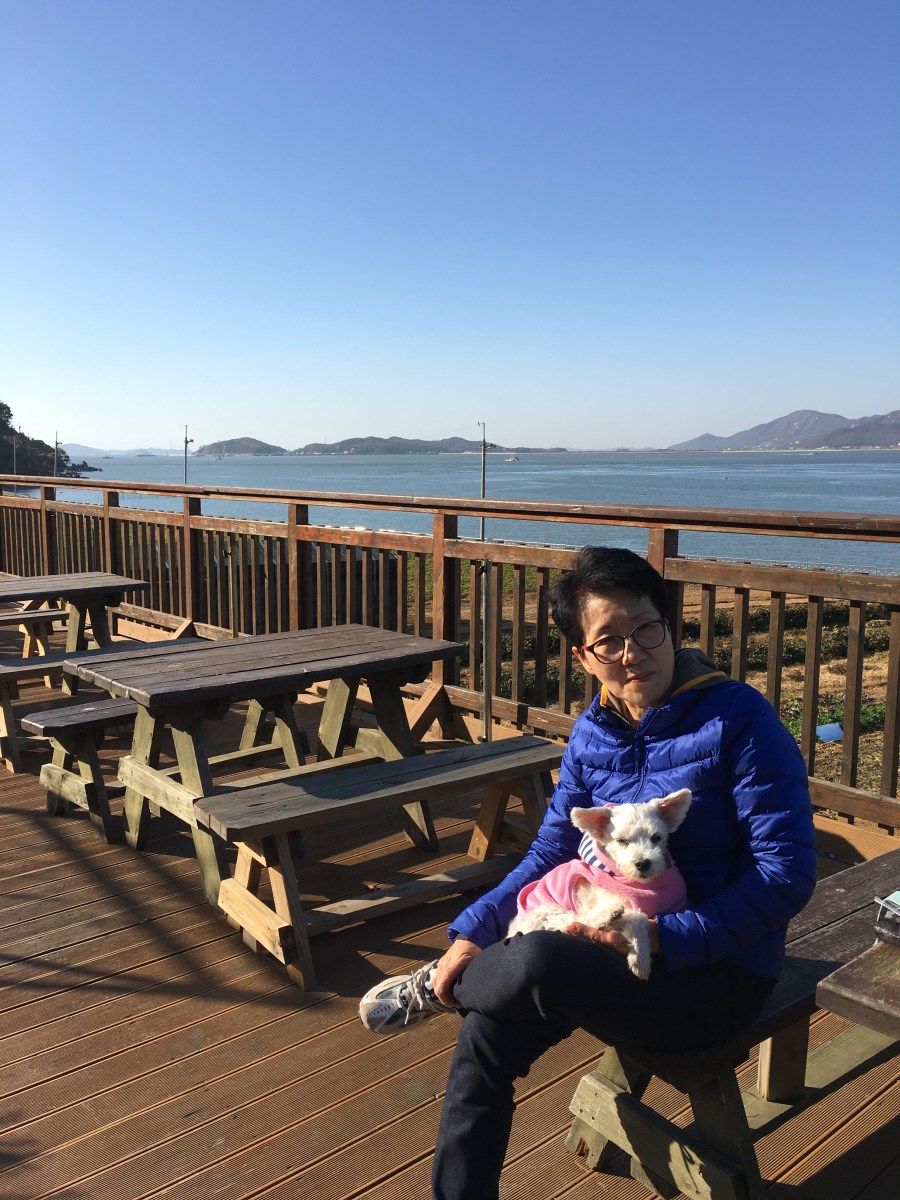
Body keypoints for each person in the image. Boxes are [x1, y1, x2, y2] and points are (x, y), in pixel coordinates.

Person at [359, 546, 816, 1200]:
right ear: (582, 656)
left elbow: (786, 873)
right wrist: (472, 933)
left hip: (717, 975)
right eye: (609, 641)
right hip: (606, 947)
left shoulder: (738, 719)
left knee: (538, 960)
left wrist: (665, 937)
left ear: (669, 625)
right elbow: (551, 853)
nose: (633, 653)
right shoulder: (591, 733)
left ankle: (438, 987)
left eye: (646, 628)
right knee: (486, 1036)